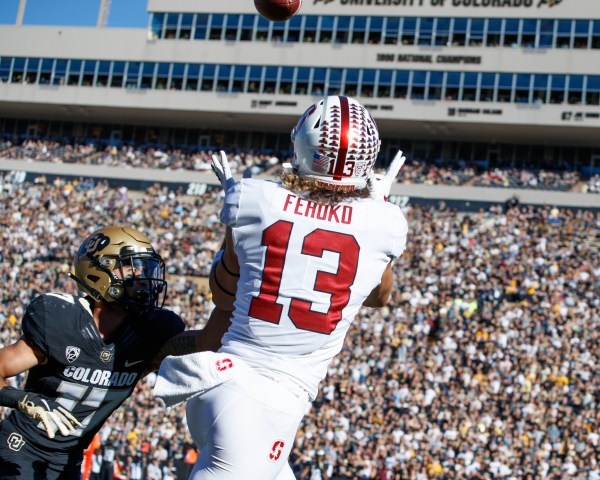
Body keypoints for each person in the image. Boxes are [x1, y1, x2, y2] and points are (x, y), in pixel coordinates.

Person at [155, 95, 409, 479]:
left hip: (237, 382)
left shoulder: (255, 198)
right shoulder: (384, 222)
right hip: (260, 399)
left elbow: (223, 295)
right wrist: (380, 204)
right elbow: (380, 296)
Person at [0, 226, 231, 480]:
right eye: (132, 268)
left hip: (68, 462)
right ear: (98, 272)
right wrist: (21, 399)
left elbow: (209, 340)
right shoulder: (61, 319)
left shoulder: (150, 334)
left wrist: (232, 262)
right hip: (17, 450)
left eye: (146, 268)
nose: (143, 277)